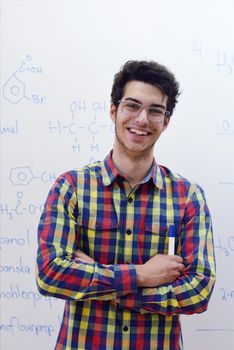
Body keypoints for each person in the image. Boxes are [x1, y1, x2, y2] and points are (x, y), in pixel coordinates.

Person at [36, 60, 216, 350]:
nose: (142, 119)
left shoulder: (187, 197)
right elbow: (50, 275)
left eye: (155, 110)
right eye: (132, 106)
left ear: (166, 122)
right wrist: (143, 275)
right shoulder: (72, 187)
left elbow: (198, 291)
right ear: (114, 110)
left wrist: (108, 283)